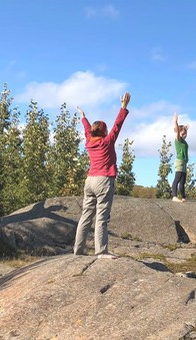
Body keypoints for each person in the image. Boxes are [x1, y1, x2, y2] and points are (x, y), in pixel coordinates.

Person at [73, 92, 130, 259]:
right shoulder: (107, 141)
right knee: (101, 217)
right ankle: (101, 251)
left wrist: (83, 117)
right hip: (104, 180)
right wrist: (123, 107)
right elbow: (117, 125)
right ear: (104, 132)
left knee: (86, 215)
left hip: (90, 181)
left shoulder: (89, 142)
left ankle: (77, 249)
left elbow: (86, 130)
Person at [171, 112, 189, 202]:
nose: (185, 133)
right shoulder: (178, 139)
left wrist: (185, 128)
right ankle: (174, 196)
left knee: (183, 181)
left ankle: (183, 197)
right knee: (177, 179)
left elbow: (183, 132)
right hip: (179, 161)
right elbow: (178, 132)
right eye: (184, 132)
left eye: (186, 132)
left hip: (184, 162)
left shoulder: (184, 141)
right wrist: (175, 122)